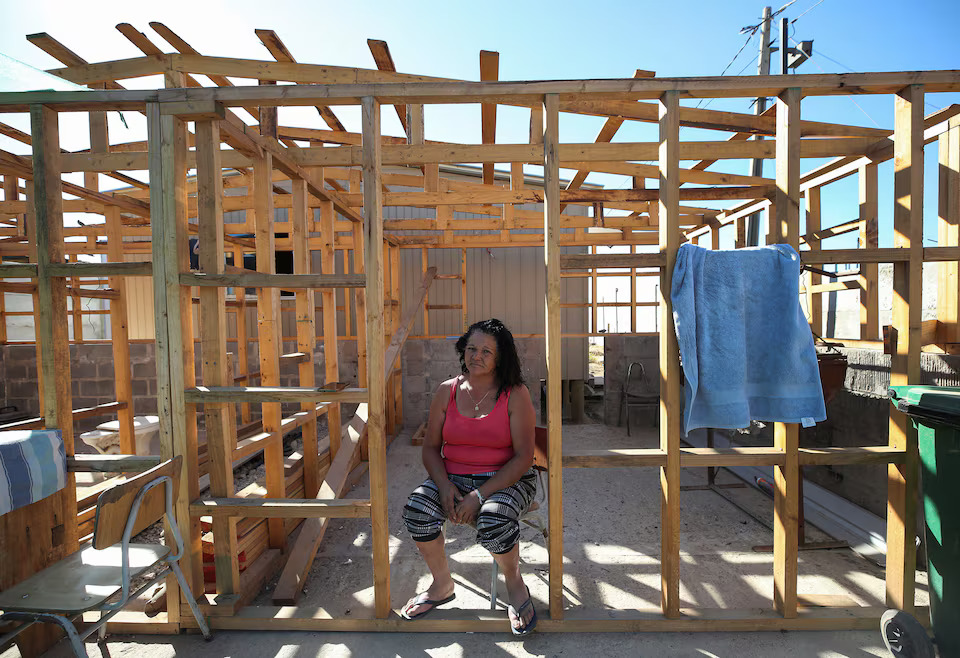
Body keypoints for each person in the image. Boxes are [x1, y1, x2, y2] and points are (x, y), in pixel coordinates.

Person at [401, 318, 538, 635]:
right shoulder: (446, 392)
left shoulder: (515, 394)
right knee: (417, 511)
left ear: (500, 357)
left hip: (507, 479)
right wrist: (445, 485)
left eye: (486, 351)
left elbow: (523, 458)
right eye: (471, 348)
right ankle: (441, 585)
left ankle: (515, 586)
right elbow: (431, 448)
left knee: (494, 520)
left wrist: (480, 496)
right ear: (462, 350)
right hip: (453, 478)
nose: (476, 356)